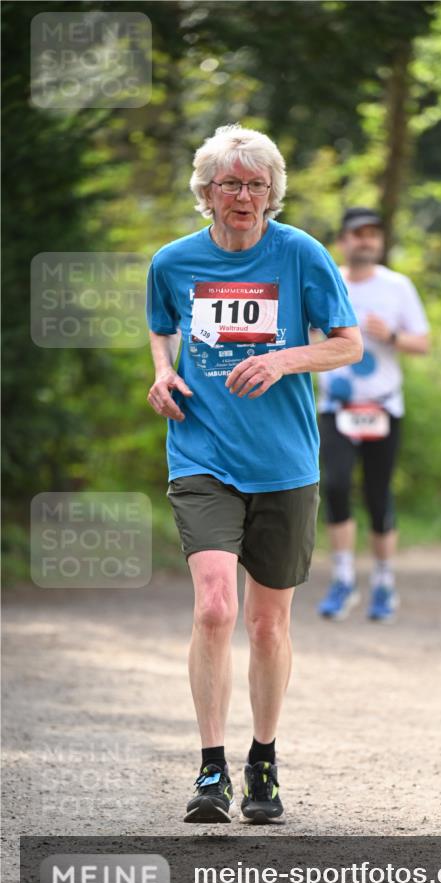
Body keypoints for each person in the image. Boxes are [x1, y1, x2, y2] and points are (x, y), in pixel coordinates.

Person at [146, 125, 361, 823]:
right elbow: (161, 326)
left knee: (269, 625)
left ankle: (262, 756)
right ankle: (210, 771)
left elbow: (346, 344)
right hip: (202, 453)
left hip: (284, 463)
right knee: (214, 606)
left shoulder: (300, 255)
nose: (244, 195)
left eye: (257, 184)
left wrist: (281, 360)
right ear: (205, 193)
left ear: (273, 193)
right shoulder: (172, 262)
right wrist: (160, 374)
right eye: (230, 183)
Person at [317, 207, 429, 623]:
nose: (366, 241)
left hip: (383, 406)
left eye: (373, 234)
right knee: (336, 485)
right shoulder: (328, 283)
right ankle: (343, 579)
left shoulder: (398, 287)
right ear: (343, 241)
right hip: (335, 407)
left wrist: (393, 336)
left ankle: (383, 583)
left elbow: (423, 343)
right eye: (358, 234)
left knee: (379, 496)